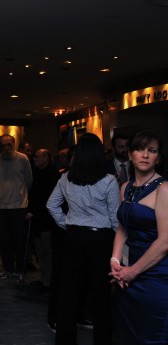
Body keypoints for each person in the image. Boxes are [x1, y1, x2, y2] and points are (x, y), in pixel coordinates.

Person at [47, 133, 119, 345]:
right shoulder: (109, 181)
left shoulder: (66, 178)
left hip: (74, 237)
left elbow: (51, 205)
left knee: (68, 293)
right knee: (101, 295)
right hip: (100, 239)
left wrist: (67, 223)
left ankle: (65, 341)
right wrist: (121, 250)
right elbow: (115, 219)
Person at [110, 130, 167, 344]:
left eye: (151, 151)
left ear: (158, 158)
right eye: (139, 149)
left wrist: (132, 271)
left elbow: (165, 241)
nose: (145, 155)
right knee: (128, 334)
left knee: (152, 335)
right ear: (130, 154)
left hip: (157, 277)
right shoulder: (126, 187)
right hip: (128, 275)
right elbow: (123, 228)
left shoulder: (164, 190)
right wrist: (115, 261)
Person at [0, 134, 33, 281]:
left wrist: (22, 196)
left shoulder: (23, 159)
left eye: (9, 144)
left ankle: (20, 270)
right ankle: (8, 269)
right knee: (4, 241)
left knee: (19, 240)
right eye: (3, 145)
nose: (6, 148)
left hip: (19, 205)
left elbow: (29, 181)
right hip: (1, 206)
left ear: (14, 144)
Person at [27, 148, 61, 288]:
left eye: (37, 157)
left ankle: (50, 280)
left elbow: (48, 198)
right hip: (37, 218)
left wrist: (34, 211)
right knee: (40, 251)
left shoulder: (53, 173)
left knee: (48, 251)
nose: (34, 159)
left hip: (47, 219)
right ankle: (44, 278)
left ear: (46, 158)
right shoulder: (36, 172)